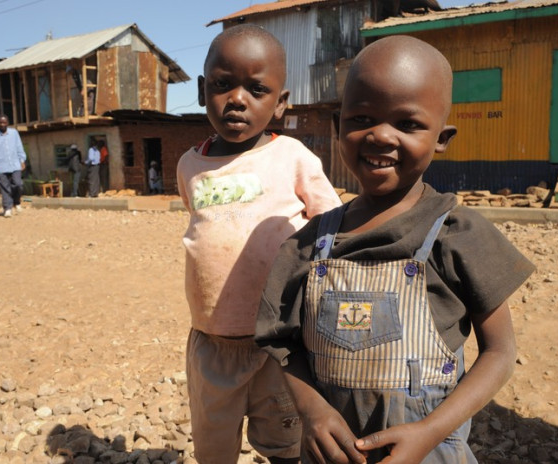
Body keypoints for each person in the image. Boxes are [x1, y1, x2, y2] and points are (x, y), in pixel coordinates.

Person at [255, 35, 536, 464]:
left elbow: (500, 352)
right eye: (363, 118)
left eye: (407, 124)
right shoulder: (307, 244)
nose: (381, 136)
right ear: (338, 125)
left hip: (428, 451)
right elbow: (284, 346)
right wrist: (313, 410)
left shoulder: (457, 235)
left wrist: (429, 432)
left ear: (442, 138)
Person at [176, 24, 342, 464]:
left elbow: (332, 228)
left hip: (281, 341)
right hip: (212, 342)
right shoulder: (190, 165)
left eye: (256, 89)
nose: (237, 99)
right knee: (213, 448)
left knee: (285, 444)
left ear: (280, 102)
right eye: (222, 85)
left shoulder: (293, 158)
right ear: (201, 90)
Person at [0, 114, 26, 218]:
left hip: (15, 164)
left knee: (18, 184)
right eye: (0, 123)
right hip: (1, 166)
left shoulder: (14, 133)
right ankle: (7, 208)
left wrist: (22, 160)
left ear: (8, 123)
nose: (2, 124)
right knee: (5, 188)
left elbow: (19, 146)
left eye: (4, 122)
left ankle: (16, 202)